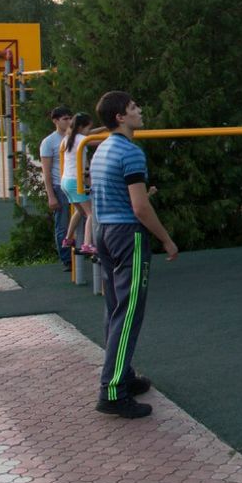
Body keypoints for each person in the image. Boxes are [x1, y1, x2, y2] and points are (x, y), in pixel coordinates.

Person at [90, 91, 178, 419]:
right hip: (128, 235)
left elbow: (118, 193)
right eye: (133, 108)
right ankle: (112, 391)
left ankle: (122, 374)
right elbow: (140, 208)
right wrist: (167, 240)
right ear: (120, 118)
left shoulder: (101, 149)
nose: (139, 111)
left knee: (115, 309)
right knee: (128, 314)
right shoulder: (131, 152)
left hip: (105, 232)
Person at [39, 106, 74, 271]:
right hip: (59, 187)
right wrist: (51, 196)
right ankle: (67, 259)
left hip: (75, 184)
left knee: (80, 221)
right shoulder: (49, 142)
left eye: (70, 118)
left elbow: (91, 132)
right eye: (65, 119)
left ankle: (80, 251)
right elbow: (46, 172)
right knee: (62, 224)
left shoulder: (75, 137)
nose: (68, 121)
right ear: (55, 121)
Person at [61, 113, 99, 256]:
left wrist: (103, 128)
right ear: (82, 127)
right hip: (74, 181)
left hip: (65, 181)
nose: (91, 130)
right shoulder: (82, 139)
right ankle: (87, 244)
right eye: (89, 127)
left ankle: (68, 238)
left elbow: (90, 134)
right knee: (91, 213)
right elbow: (98, 140)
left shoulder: (68, 138)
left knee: (80, 211)